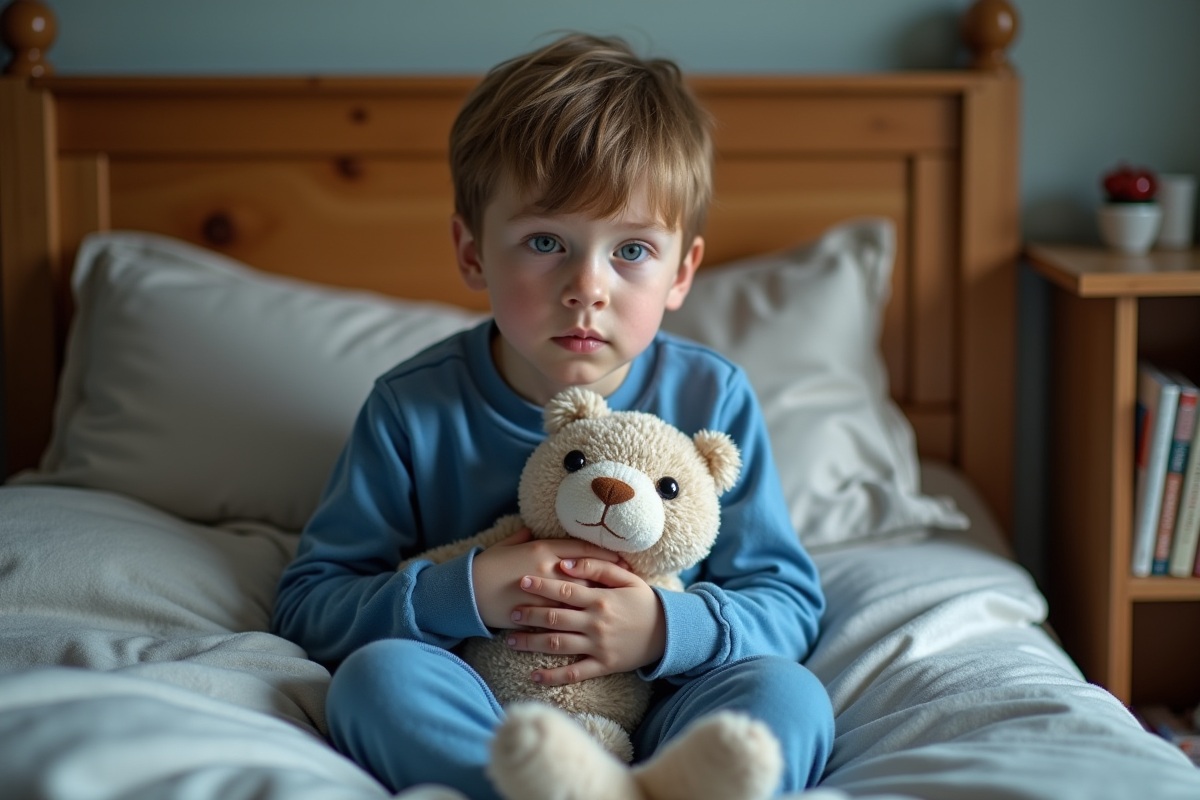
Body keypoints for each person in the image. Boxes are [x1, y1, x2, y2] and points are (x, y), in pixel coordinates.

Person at [271, 32, 833, 800]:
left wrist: (667, 630)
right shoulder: (412, 407)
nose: (587, 287)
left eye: (632, 250)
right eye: (545, 241)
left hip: (664, 707)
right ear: (472, 253)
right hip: (486, 709)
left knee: (789, 699)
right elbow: (310, 602)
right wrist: (465, 592)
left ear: (682, 273)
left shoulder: (714, 398)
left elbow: (787, 601)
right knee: (374, 679)